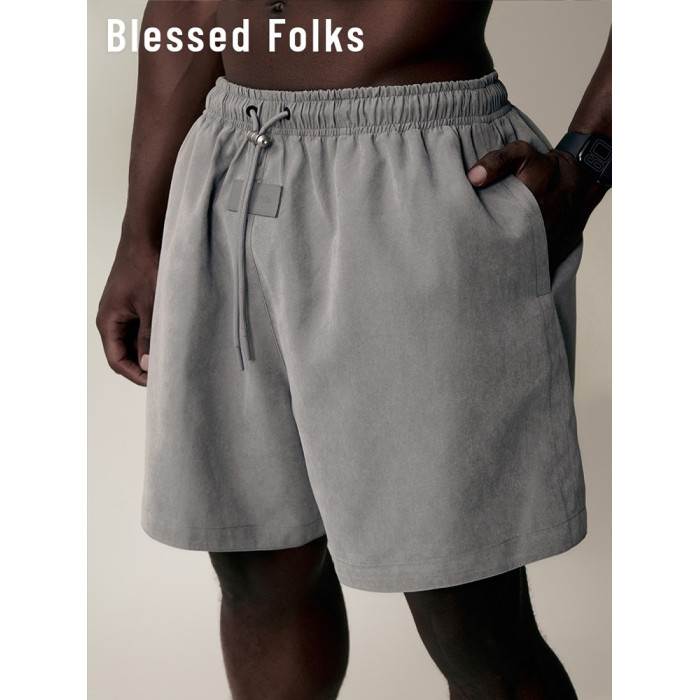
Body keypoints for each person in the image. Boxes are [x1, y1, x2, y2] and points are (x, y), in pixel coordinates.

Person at [96, 1, 611, 697]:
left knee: (469, 611)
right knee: (258, 566)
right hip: (231, 160)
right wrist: (140, 231)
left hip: (419, 169)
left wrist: (589, 159)